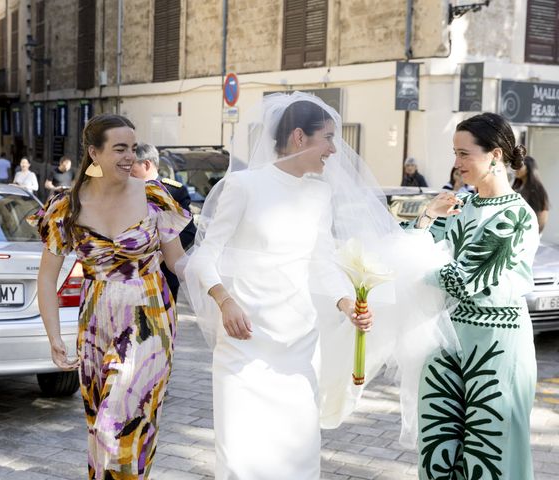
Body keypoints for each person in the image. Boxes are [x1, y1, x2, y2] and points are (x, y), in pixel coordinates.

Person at [183, 92, 456, 479]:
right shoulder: (244, 186)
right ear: (299, 137)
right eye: (327, 138)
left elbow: (322, 259)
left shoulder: (319, 192)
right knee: (242, 454)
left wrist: (347, 303)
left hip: (298, 344)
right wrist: (224, 301)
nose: (334, 149)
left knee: (297, 455)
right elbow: (205, 257)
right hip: (245, 342)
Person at [30, 114, 191, 479]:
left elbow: (178, 261)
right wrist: (54, 336)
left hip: (149, 316)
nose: (129, 157)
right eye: (120, 148)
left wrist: (219, 287)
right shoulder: (65, 207)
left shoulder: (154, 196)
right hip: (95, 322)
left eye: (132, 149)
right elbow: (46, 278)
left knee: (116, 423)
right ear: (94, 153)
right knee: (99, 426)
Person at [410, 113, 539, 480]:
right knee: (437, 452)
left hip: (496, 349)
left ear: (495, 155)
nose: (456, 164)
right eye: (455, 153)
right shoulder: (457, 207)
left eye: (464, 154)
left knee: (490, 455)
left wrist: (417, 259)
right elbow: (407, 244)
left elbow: (472, 281)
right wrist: (425, 219)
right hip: (447, 346)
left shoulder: (518, 216)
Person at [131, 142, 197, 299]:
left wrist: (161, 253)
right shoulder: (126, 191)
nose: (127, 169)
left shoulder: (173, 191)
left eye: (131, 164)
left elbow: (187, 231)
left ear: (146, 164)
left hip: (164, 271)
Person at [513, 155, 550, 232]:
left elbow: (542, 215)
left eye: (520, 166)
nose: (516, 169)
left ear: (529, 168)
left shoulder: (537, 190)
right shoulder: (516, 187)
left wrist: (535, 234)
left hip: (528, 233)